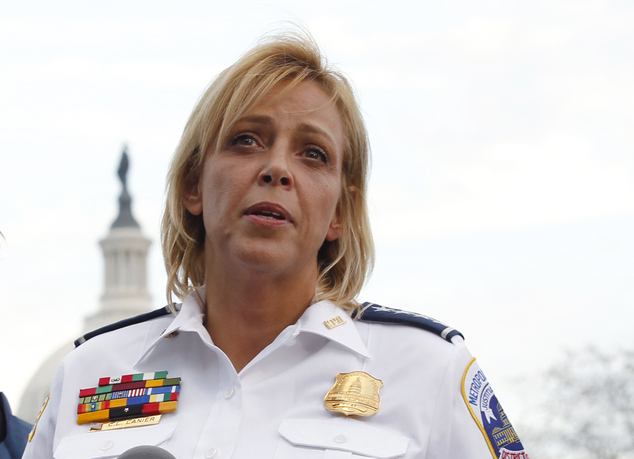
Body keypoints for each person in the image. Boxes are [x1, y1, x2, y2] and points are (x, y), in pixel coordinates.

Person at [23, 31, 529, 459]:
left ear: (340, 213)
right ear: (193, 186)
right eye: (247, 139)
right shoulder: (90, 376)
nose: (277, 169)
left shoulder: (429, 373)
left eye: (313, 154)